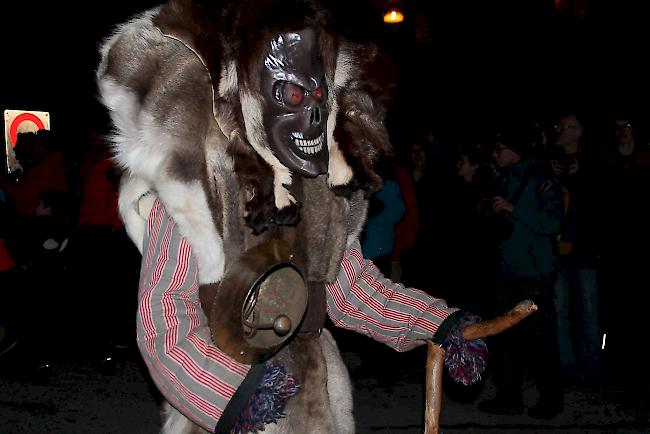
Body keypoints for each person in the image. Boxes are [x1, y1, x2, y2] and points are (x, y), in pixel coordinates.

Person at [97, 0, 490, 432]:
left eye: (320, 94)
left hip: (317, 408)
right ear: (245, 94)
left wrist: (440, 323)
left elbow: (353, 291)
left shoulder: (321, 197)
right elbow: (164, 324)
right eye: (293, 94)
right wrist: (236, 394)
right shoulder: (195, 195)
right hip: (228, 417)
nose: (313, 116)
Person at [478, 125, 565, 419]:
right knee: (506, 339)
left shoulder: (541, 178)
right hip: (507, 271)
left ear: (515, 150)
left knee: (540, 341)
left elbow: (552, 222)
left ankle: (551, 399)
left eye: (500, 148)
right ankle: (509, 396)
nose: (494, 154)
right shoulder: (505, 179)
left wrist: (515, 210)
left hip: (535, 274)